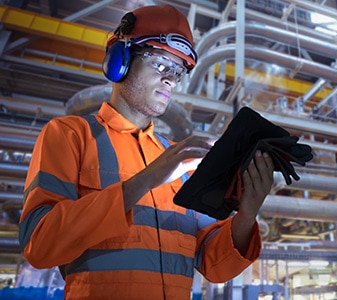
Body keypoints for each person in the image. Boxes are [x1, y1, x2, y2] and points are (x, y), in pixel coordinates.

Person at [18, 4, 274, 300]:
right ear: (120, 61)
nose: (171, 80)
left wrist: (247, 213)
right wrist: (146, 180)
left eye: (177, 72)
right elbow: (39, 244)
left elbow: (212, 264)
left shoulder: (179, 161)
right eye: (162, 65)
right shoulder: (70, 135)